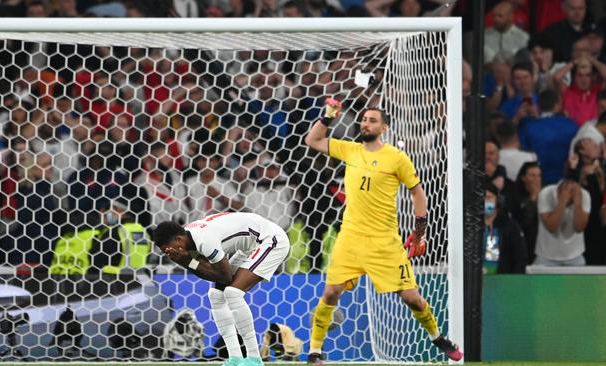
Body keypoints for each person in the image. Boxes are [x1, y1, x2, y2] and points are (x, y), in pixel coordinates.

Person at [303, 99, 462, 364]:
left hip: (384, 241)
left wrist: (419, 233)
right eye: (364, 119)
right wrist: (329, 116)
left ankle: (438, 338)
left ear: (384, 127)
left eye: (373, 120)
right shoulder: (349, 150)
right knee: (331, 293)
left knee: (412, 298)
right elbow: (313, 140)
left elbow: (418, 193)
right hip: (351, 238)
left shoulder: (397, 158)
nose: (366, 123)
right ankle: (315, 352)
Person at [154, 212, 291, 366]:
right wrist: (188, 261)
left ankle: (254, 359)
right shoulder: (188, 239)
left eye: (167, 248)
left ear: (178, 239)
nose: (168, 254)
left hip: (270, 240)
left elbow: (224, 277)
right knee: (216, 296)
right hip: (250, 245)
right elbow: (208, 269)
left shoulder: (204, 240)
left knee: (233, 293)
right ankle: (235, 358)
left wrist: (187, 262)